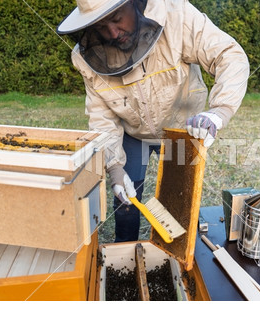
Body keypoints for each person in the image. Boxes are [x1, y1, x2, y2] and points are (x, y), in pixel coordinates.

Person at [57, 0, 249, 242]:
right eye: (102, 26)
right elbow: (101, 115)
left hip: (182, 129)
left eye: (116, 19)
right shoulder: (87, 58)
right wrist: (114, 166)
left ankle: (180, 251)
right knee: (126, 201)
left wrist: (220, 111)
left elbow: (228, 55)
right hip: (133, 134)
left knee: (180, 198)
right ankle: (126, 247)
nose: (113, 34)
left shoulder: (178, 16)